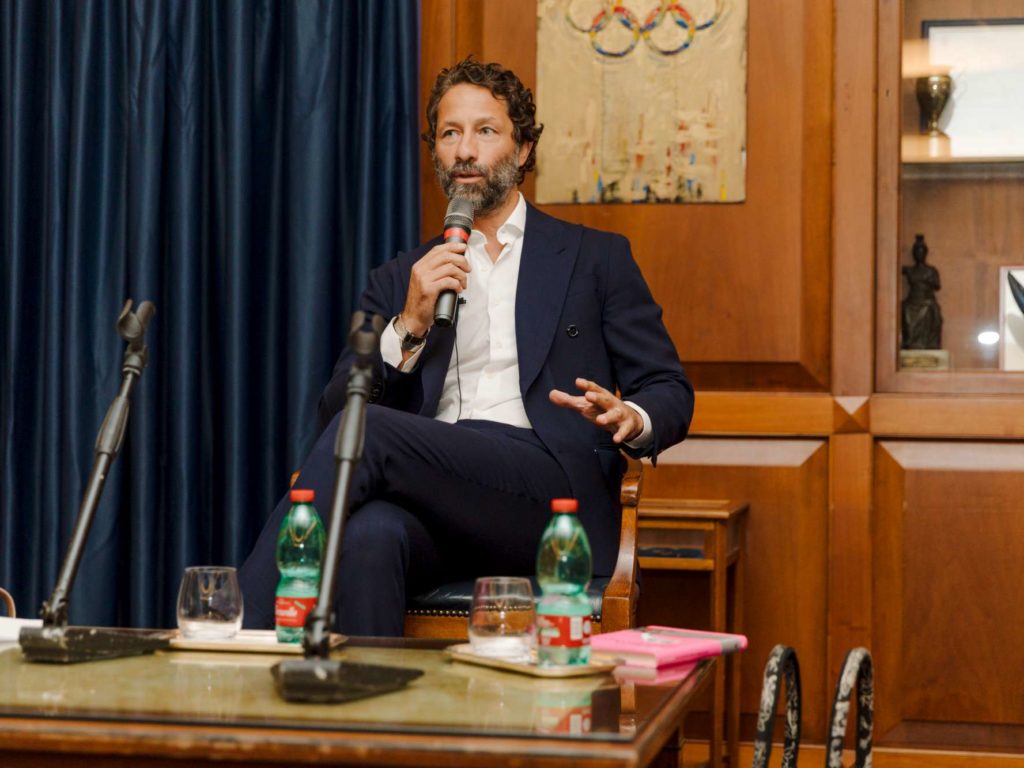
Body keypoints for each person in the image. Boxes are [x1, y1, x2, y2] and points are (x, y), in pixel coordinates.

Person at [238, 57, 694, 636]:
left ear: (524, 147)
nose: (464, 150)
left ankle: (242, 633)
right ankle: (369, 721)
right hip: (435, 496)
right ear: (436, 153)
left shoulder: (594, 259)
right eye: (450, 133)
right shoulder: (403, 276)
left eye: (485, 131)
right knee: (368, 537)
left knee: (371, 430)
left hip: (546, 497)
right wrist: (407, 327)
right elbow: (335, 415)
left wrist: (632, 415)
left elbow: (671, 390)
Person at [901, 233, 942, 350]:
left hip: (926, 301)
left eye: (921, 251)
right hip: (912, 300)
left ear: (925, 253)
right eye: (917, 252)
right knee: (905, 309)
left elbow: (937, 286)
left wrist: (927, 281)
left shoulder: (931, 270)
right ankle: (910, 343)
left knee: (930, 309)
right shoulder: (909, 270)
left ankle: (927, 345)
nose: (919, 254)